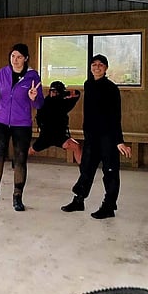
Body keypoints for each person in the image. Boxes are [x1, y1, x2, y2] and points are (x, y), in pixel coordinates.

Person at [61, 54, 132, 219]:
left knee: (110, 172)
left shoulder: (111, 88)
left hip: (108, 137)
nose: (97, 67)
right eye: (94, 64)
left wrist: (119, 141)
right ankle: (79, 200)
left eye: (101, 65)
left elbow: (115, 116)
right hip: (92, 137)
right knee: (86, 169)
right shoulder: (88, 84)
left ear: (106, 68)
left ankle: (109, 206)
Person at [0, 43, 44, 211]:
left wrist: (34, 97)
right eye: (13, 56)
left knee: (20, 159)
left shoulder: (32, 76)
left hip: (22, 123)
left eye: (19, 57)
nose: (15, 60)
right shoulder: (3, 72)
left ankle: (17, 196)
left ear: (26, 58)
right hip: (0, 120)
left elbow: (39, 104)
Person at [28, 80, 82, 164]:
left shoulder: (62, 103)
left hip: (59, 135)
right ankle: (18, 161)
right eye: (52, 91)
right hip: (46, 135)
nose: (53, 94)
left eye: (56, 92)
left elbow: (77, 93)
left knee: (76, 146)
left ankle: (83, 170)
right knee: (31, 150)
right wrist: (65, 94)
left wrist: (65, 94)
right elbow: (75, 95)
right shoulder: (48, 102)